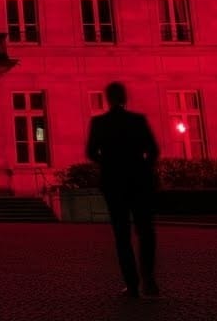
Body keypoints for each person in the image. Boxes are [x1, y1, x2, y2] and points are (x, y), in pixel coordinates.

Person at [85, 82, 160, 298]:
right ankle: (149, 280)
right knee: (146, 231)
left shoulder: (100, 122)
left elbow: (91, 152)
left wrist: (107, 163)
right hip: (139, 180)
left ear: (108, 99)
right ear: (125, 97)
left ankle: (132, 285)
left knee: (122, 234)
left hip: (114, 182)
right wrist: (143, 167)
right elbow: (153, 150)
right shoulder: (138, 121)